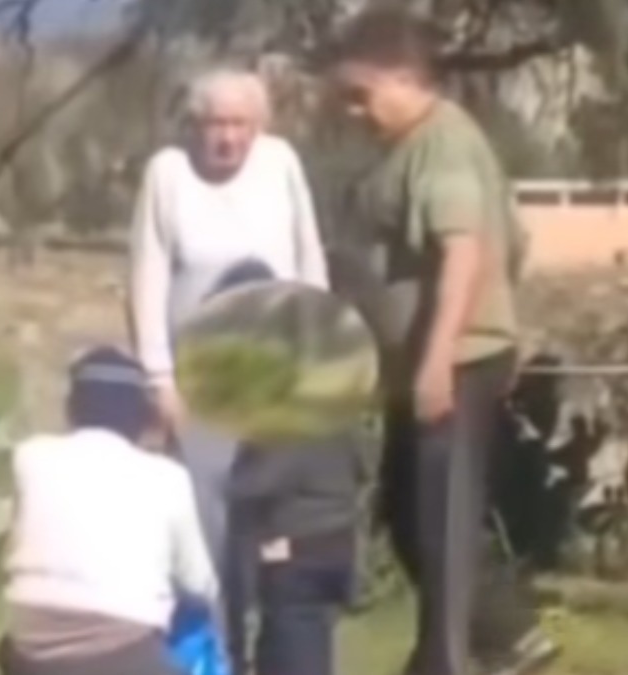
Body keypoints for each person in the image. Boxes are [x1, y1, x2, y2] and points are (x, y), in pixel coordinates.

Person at [325, 7, 559, 675]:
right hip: (428, 363)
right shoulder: (409, 147)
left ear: (405, 76)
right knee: (409, 515)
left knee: (441, 527)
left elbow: (465, 250)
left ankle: (444, 660)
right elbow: (513, 244)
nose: (352, 111)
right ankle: (510, 637)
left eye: (360, 94)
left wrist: (438, 359)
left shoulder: (443, 142)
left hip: (453, 362)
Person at [128, 67, 330, 577]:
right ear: (194, 124)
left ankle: (275, 634)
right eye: (215, 123)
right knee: (206, 516)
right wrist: (159, 377)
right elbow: (147, 277)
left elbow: (309, 256)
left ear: (258, 125)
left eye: (241, 123)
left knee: (278, 517)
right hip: (200, 373)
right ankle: (216, 643)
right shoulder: (167, 173)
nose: (228, 136)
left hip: (278, 366)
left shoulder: (281, 161)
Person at [0, 346, 221, 675]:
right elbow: (198, 581)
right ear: (140, 415)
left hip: (30, 643)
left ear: (73, 407)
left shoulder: (30, 456)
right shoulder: (166, 478)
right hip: (122, 651)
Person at [226, 428, 367, 675]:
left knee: (296, 646)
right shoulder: (338, 423)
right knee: (292, 643)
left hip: (299, 558)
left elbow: (255, 484)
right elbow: (362, 467)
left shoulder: (291, 431)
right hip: (334, 548)